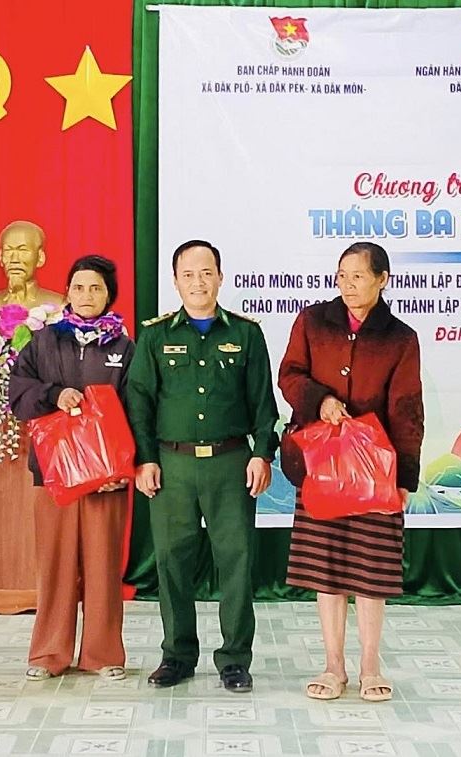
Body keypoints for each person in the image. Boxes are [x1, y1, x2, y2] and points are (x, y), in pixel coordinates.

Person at [126, 240, 279, 693]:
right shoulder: (155, 336)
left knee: (237, 561)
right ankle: (177, 655)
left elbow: (263, 403)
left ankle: (234, 659)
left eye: (206, 272)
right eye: (188, 275)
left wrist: (262, 453)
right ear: (175, 281)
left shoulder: (246, 334)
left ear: (220, 277)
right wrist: (145, 459)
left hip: (231, 464)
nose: (198, 282)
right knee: (172, 561)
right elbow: (139, 403)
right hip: (172, 465)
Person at [277, 242, 423, 703]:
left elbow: (407, 409)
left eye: (358, 276)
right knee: (327, 571)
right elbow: (289, 375)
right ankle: (333, 665)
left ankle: (370, 666)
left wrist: (405, 478)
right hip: (321, 466)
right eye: (342, 275)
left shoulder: (400, 338)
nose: (348, 284)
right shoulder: (312, 321)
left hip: (375, 471)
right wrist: (320, 400)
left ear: (382, 279)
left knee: (371, 573)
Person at [9, 254, 134, 682]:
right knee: (56, 565)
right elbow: (17, 392)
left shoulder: (124, 348)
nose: (86, 295)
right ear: (67, 292)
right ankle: (49, 653)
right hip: (55, 476)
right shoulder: (43, 342)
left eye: (96, 288)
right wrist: (54, 394)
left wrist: (122, 469)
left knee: (103, 567)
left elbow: (138, 409)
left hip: (106, 479)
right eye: (78, 287)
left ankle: (103, 654)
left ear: (109, 295)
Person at [0, 220, 65, 317]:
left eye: (23, 250)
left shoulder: (60, 306)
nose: (14, 259)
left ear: (40, 257)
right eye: (8, 250)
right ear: (1, 257)